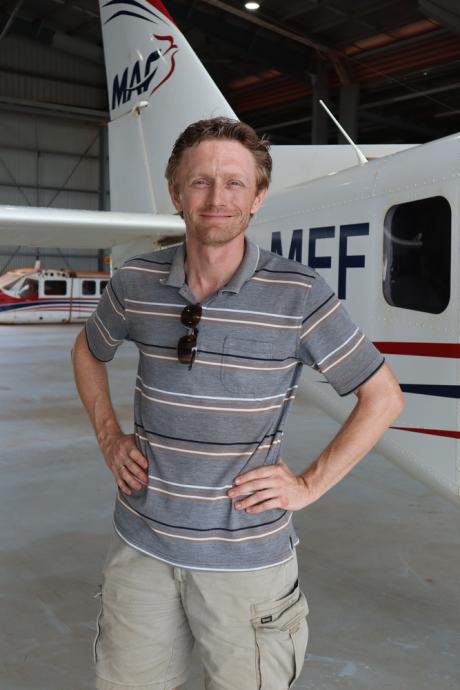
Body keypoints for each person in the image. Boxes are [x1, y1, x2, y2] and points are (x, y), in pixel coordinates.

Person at [72, 117, 404, 690]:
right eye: (200, 182)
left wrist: (309, 485)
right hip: (141, 548)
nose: (217, 197)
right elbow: (87, 349)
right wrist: (108, 435)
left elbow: (382, 397)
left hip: (246, 563)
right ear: (176, 193)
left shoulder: (299, 293)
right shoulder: (136, 282)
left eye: (234, 183)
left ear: (258, 197)